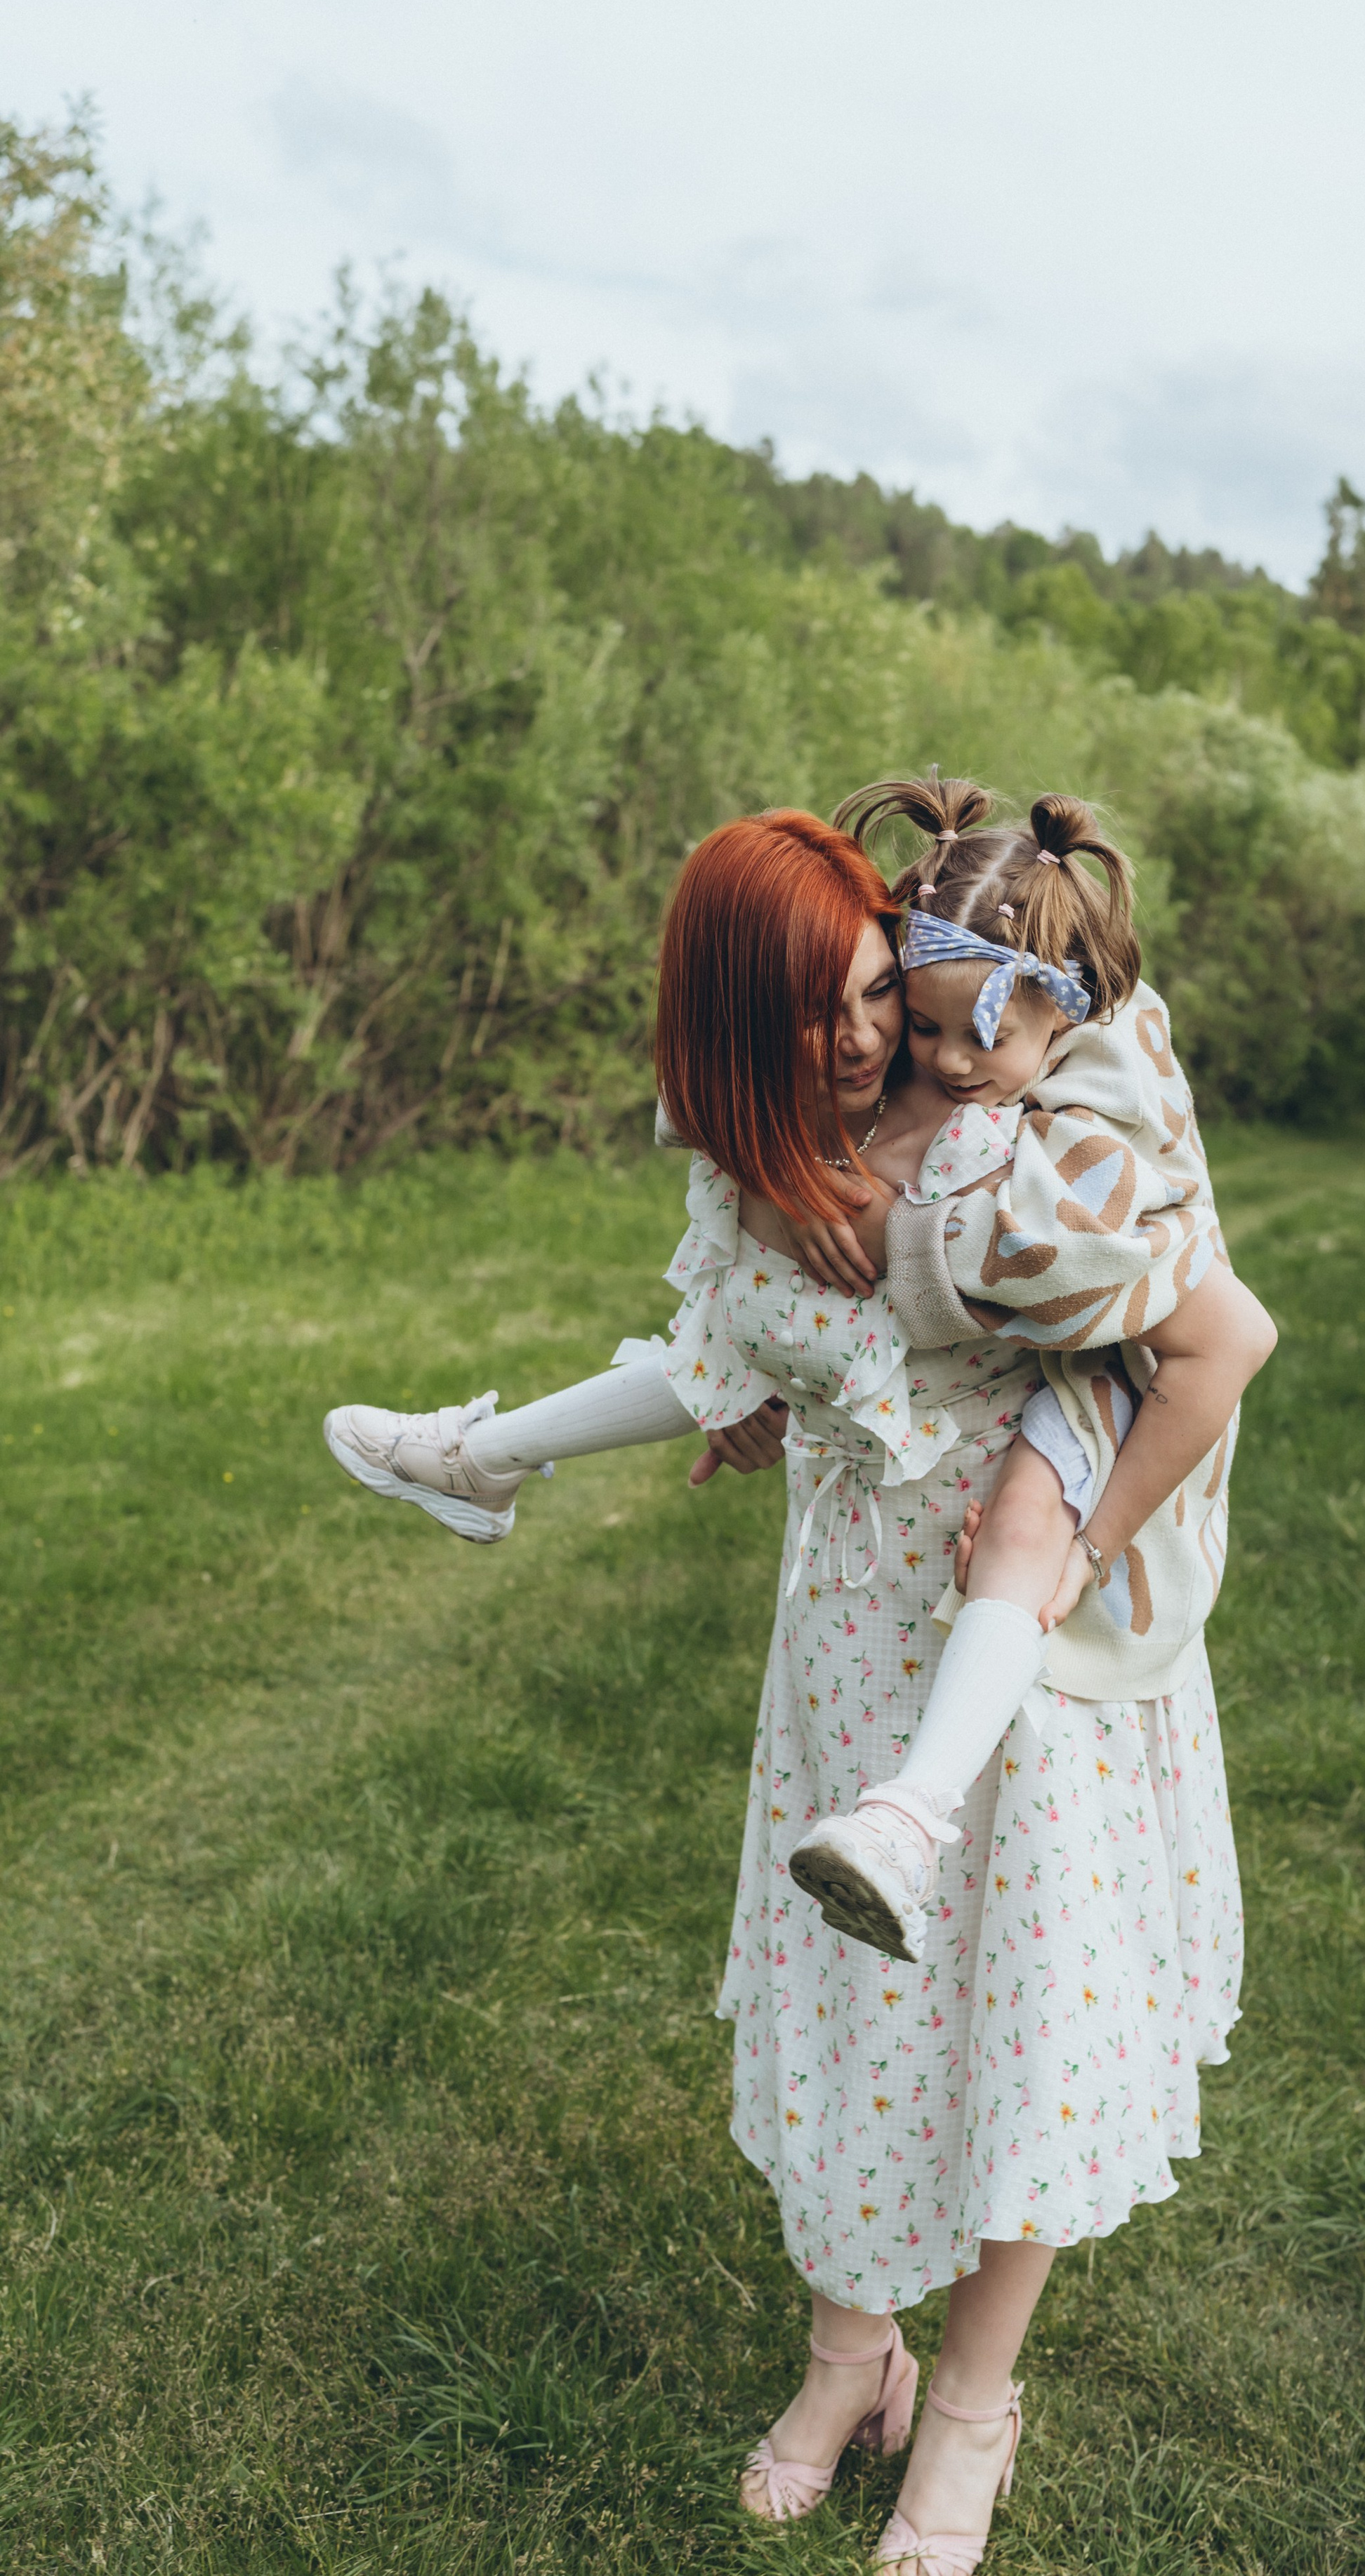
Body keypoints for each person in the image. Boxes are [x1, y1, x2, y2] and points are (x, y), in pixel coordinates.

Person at [324, 804, 1252, 2575]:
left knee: (1021, 2005)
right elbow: (727, 1347)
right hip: (849, 1618)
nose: (870, 1039)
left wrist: (1068, 1546)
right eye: (846, 1011)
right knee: (853, 1995)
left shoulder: (1040, 1150)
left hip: (1016, 1641)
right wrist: (767, 1382)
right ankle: (852, 2357)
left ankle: (971, 2402)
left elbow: (1218, 1336)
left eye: (876, 998)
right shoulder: (791, 1145)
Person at [782, 775, 1277, 1970]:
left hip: (1110, 1385)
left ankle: (911, 1818)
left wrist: (1090, 1549)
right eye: (929, 1025)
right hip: (893, 1427)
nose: (949, 1060)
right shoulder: (944, 1066)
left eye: (982, 1036)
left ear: (1062, 1018)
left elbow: (1230, 1341)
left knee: (1022, 1528)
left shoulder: (1088, 1151)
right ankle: (492, 1453)